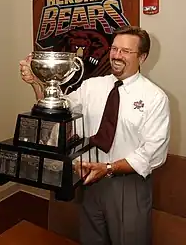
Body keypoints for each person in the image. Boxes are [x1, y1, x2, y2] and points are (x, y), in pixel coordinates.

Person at [19, 26, 170, 245]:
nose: (117, 55)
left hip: (128, 185)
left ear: (143, 57)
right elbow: (58, 109)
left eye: (126, 51)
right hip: (89, 179)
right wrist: (37, 82)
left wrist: (108, 169)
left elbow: (152, 153)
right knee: (91, 239)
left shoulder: (155, 98)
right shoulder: (92, 86)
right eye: (115, 48)